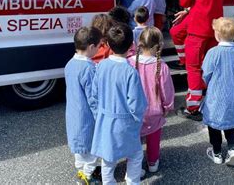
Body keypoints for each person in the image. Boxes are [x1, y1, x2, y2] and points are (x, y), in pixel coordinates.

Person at [91, 24, 148, 184]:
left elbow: (94, 94)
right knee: (135, 155)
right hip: (125, 121)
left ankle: (109, 182)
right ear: (131, 45)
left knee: (108, 157)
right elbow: (136, 103)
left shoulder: (101, 65)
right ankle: (132, 181)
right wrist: (138, 119)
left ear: (107, 44)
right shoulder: (130, 72)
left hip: (105, 119)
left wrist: (98, 114)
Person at [176, 0, 227, 120]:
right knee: (210, 68)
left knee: (193, 68)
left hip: (198, 30)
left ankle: (193, 108)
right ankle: (208, 101)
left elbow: (184, 1)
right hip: (215, 30)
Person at [128, 27, 175, 173]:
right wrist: (167, 106)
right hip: (154, 111)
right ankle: (152, 162)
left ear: (139, 43)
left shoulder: (129, 62)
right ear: (158, 46)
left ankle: (133, 165)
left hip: (133, 110)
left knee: (133, 140)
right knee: (154, 139)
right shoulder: (162, 66)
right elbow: (167, 90)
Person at [201, 18, 234, 166]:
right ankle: (232, 148)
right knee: (230, 122)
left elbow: (206, 73)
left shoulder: (213, 53)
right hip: (233, 95)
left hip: (216, 95)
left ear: (217, 35)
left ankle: (217, 153)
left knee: (214, 125)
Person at [64, 27, 103, 183]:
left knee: (80, 149)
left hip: (73, 114)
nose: (100, 48)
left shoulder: (69, 64)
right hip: (86, 117)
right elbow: (93, 99)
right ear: (91, 46)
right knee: (92, 152)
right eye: (99, 45)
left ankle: (81, 170)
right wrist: (100, 117)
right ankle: (87, 176)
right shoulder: (88, 68)